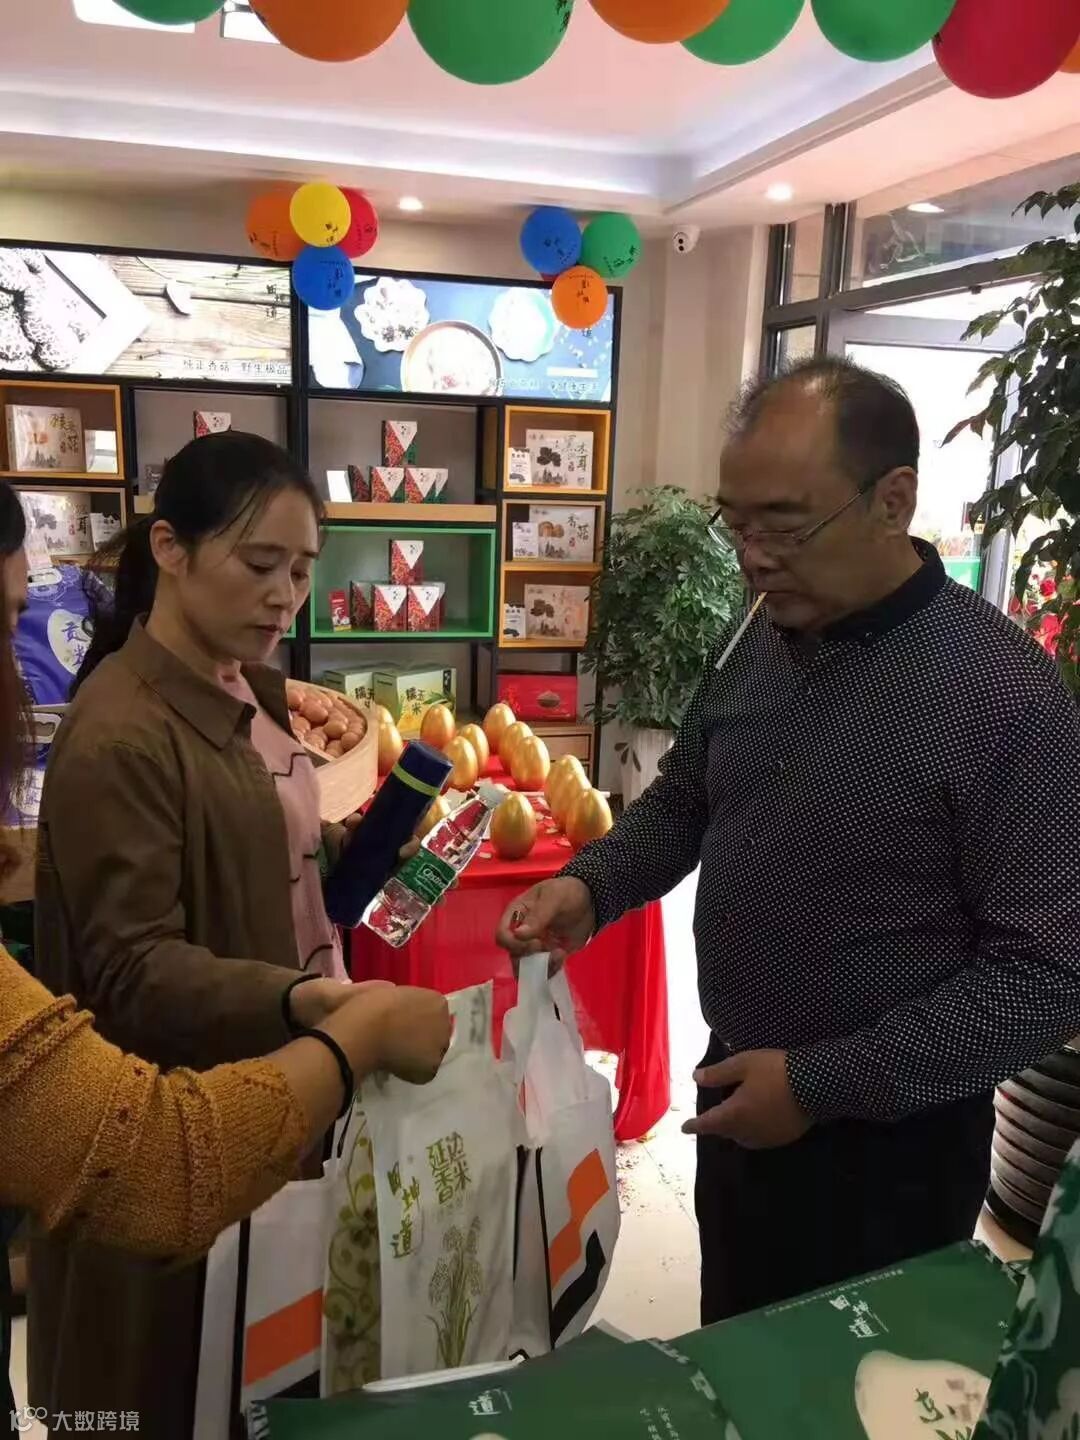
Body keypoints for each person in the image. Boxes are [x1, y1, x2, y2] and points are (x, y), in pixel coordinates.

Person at [498, 357, 1080, 1324]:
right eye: (737, 525)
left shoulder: (1002, 698)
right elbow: (689, 796)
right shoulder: (760, 633)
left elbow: (1045, 977)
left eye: (784, 524)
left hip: (888, 1145)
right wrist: (592, 886)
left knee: (850, 1381)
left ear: (894, 501)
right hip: (739, 1092)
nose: (754, 558)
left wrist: (815, 1085)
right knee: (735, 1344)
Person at [0, 478, 450, 1417]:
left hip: (281, 1099)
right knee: (170, 1387)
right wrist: (303, 1003)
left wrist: (341, 848)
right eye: (259, 564)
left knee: (273, 1370)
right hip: (187, 1134)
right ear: (170, 549)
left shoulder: (251, 685)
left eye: (302, 570)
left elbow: (256, 841)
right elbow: (132, 967)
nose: (285, 595)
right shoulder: (119, 735)